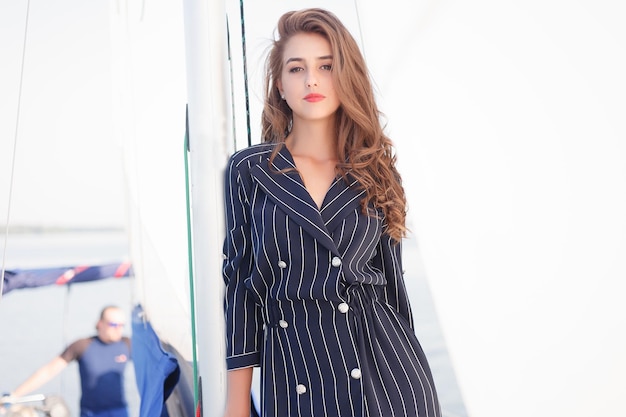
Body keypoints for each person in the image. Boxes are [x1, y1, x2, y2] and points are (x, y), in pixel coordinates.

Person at [221, 7, 441, 417]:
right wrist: (236, 404)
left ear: (345, 78)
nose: (312, 80)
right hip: (294, 372)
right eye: (296, 68)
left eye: (326, 66)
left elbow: (394, 290)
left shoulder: (375, 168)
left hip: (387, 375)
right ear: (280, 87)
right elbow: (241, 289)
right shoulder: (249, 170)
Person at [7, 305, 131, 417]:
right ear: (100, 324)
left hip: (120, 411)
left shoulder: (127, 344)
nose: (119, 329)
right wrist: (14, 395)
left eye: (122, 325)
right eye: (114, 325)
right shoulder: (82, 346)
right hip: (91, 412)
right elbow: (49, 371)